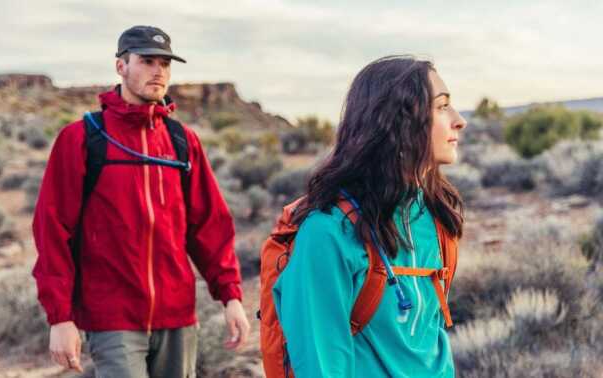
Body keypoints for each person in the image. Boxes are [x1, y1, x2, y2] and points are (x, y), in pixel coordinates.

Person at [32, 25, 250, 378]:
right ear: (121, 66)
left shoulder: (182, 141)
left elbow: (210, 226)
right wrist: (60, 317)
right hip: (113, 318)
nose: (158, 71)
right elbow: (52, 230)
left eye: (165, 64)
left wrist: (231, 297)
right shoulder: (82, 139)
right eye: (147, 61)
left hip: (178, 317)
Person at [272, 56, 467, 377]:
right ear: (399, 119)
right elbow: (320, 366)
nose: (459, 120)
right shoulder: (328, 233)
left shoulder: (434, 218)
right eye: (442, 106)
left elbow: (430, 338)